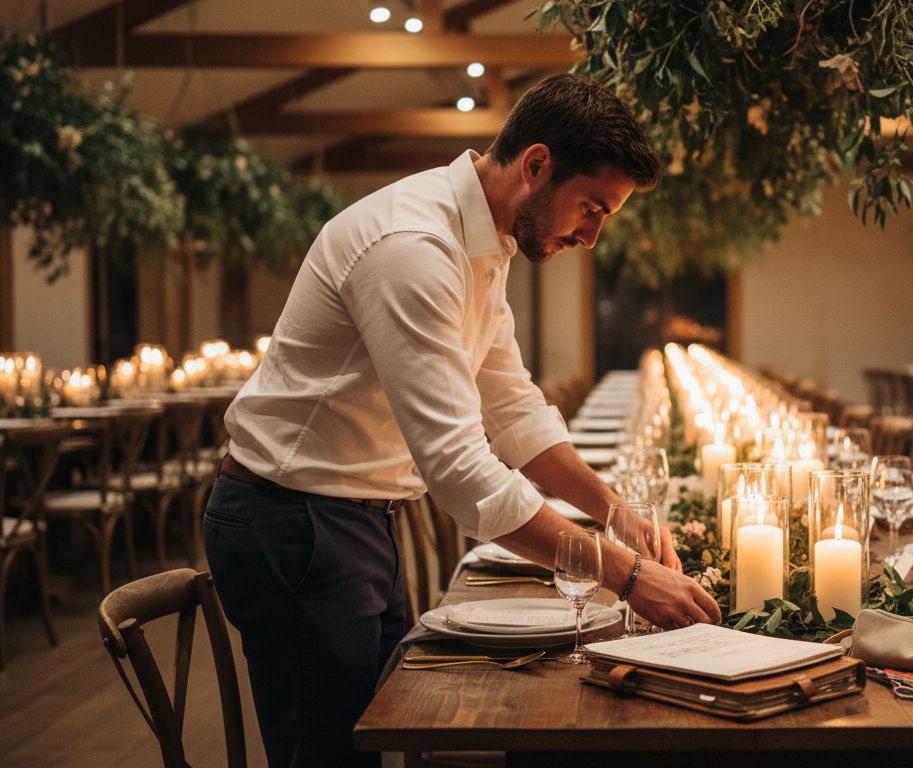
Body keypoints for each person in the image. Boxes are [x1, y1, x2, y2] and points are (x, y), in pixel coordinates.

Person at [204, 74, 722, 768]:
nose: (594, 236)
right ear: (537, 165)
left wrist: (615, 510)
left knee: (370, 736)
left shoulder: (483, 239)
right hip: (293, 520)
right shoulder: (413, 246)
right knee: (330, 755)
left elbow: (509, 405)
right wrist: (625, 576)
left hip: (354, 515)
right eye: (591, 208)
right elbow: (458, 468)